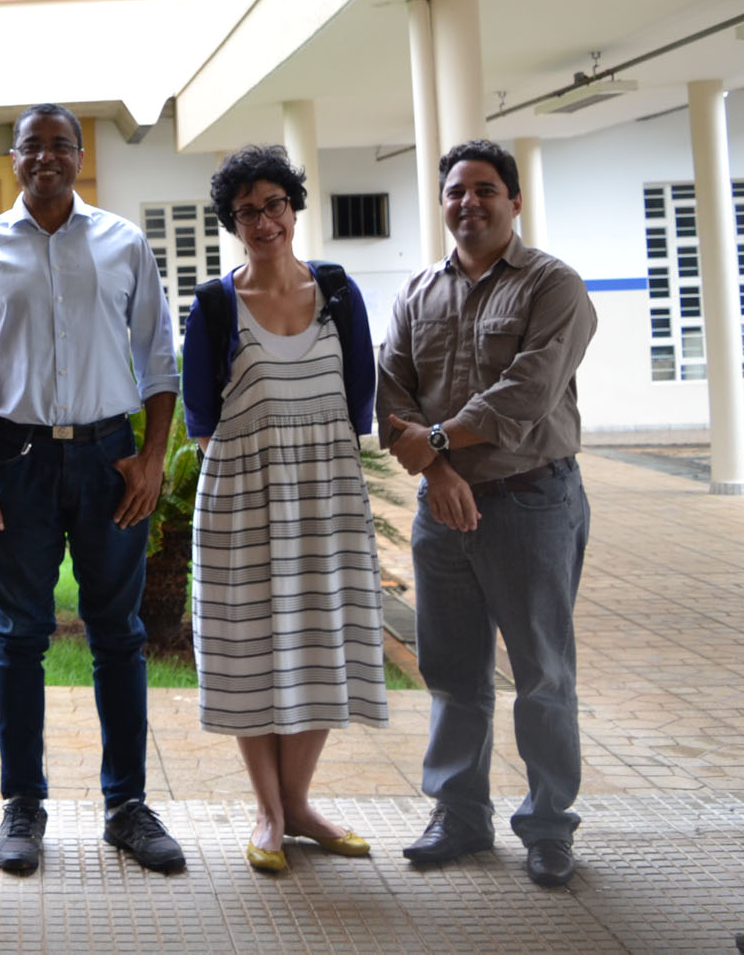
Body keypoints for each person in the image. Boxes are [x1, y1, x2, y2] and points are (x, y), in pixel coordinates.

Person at [0, 103, 187, 878]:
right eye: (33, 145)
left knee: (116, 629)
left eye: (61, 144)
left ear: (80, 156)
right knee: (20, 632)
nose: (46, 156)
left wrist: (152, 459)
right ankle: (23, 803)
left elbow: (158, 358)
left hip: (108, 456)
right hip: (15, 458)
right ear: (14, 158)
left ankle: (126, 805)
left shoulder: (121, 241)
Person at [379, 139, 597, 890]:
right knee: (452, 670)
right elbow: (389, 398)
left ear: (514, 200)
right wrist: (439, 470)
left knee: (540, 673)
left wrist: (435, 438)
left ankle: (546, 826)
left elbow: (527, 394)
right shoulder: (417, 293)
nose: (467, 201)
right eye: (455, 191)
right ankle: (460, 816)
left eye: (484, 189)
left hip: (530, 499)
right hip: (443, 512)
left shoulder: (552, 286)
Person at [180, 146, 388, 874]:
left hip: (325, 494)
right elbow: (200, 417)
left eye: (274, 204)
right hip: (241, 494)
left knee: (319, 642)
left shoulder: (339, 292)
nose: (263, 220)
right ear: (232, 223)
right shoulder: (214, 305)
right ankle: (268, 812)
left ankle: (300, 804)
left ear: (294, 207)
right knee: (246, 650)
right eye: (247, 211)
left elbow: (358, 398)